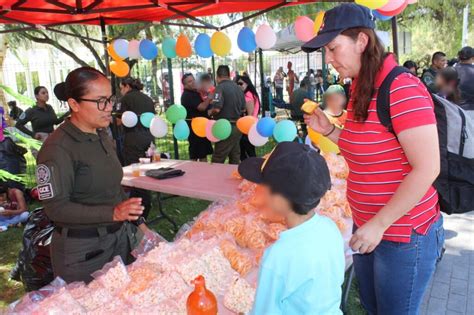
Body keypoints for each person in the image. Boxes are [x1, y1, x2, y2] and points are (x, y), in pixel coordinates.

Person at [303, 4, 444, 314]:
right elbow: (365, 149)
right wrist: (330, 132)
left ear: (362, 42)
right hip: (369, 228)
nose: (328, 59)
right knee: (371, 307)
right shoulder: (362, 87)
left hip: (403, 234)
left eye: (333, 48)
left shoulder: (402, 88)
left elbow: (428, 167)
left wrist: (379, 224)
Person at [36, 67, 147, 283]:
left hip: (117, 239)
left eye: (110, 99)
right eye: (100, 101)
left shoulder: (100, 133)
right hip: (83, 252)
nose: (109, 108)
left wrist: (139, 223)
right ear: (74, 104)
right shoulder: (57, 148)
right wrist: (112, 213)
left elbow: (112, 189)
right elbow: (56, 209)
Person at [238, 142, 344, 315]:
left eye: (262, 187)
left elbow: (265, 311)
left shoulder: (278, 256)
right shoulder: (329, 227)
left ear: (281, 198)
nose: (257, 192)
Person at [118, 77, 156, 219]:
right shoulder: (147, 98)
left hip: (133, 138)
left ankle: (142, 206)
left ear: (126, 86)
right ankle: (143, 201)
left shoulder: (126, 99)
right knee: (147, 169)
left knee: (135, 172)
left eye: (121, 87)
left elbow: (119, 119)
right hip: (148, 137)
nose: (121, 91)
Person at [208, 65, 245, 164]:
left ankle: (214, 178)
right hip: (237, 127)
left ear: (217, 76)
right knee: (235, 156)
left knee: (218, 157)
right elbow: (243, 108)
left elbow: (217, 108)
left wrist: (209, 112)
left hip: (224, 128)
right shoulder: (238, 88)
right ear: (228, 75)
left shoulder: (219, 88)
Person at [181, 73, 213, 162]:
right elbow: (202, 107)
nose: (193, 82)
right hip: (195, 130)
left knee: (203, 154)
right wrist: (209, 98)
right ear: (185, 85)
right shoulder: (187, 95)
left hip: (201, 128)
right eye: (189, 81)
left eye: (193, 80)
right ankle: (197, 173)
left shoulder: (194, 92)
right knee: (197, 155)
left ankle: (203, 174)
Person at [236, 75, 260, 161]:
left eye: (241, 83)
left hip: (248, 128)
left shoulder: (248, 95)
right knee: (247, 151)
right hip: (250, 126)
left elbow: (250, 114)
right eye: (237, 84)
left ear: (247, 84)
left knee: (247, 151)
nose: (239, 85)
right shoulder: (250, 94)